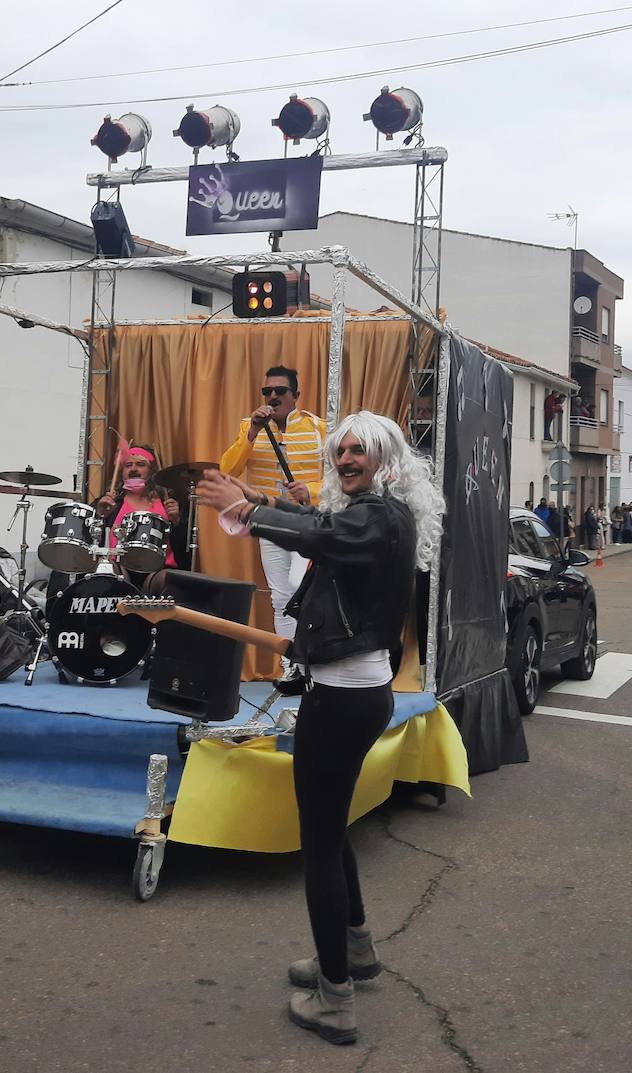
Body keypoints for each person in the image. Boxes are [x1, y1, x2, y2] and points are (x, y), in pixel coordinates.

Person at [197, 411, 445, 1046]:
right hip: (349, 694)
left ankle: (335, 999)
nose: (346, 459)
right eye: (341, 451)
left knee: (320, 844)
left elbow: (324, 537)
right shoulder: (372, 513)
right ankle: (353, 955)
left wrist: (250, 513)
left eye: (359, 450)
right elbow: (322, 526)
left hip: (345, 701)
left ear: (387, 458)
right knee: (330, 832)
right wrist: (262, 499)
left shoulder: (381, 515)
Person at [219, 366, 326, 686]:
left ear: (296, 395)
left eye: (281, 391)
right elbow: (228, 469)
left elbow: (340, 476)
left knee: (298, 587)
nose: (273, 396)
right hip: (270, 523)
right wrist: (252, 432)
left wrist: (312, 491)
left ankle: (315, 662)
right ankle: (292, 666)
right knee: (281, 598)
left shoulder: (319, 427)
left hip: (307, 522)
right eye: (268, 392)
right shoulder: (248, 428)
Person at [94, 444, 181, 588]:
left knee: (167, 580)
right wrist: (100, 516)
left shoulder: (168, 504)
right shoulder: (110, 503)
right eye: (128, 465)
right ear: (122, 472)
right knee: (107, 571)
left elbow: (186, 549)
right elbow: (90, 542)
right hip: (119, 568)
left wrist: (177, 521)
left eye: (140, 464)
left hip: (159, 570)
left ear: (152, 471)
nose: (133, 469)